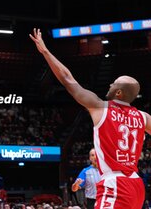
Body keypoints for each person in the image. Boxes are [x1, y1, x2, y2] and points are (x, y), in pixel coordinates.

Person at [30, 28, 151, 208]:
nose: (110, 84)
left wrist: (46, 52)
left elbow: (68, 80)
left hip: (116, 183)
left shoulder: (101, 107)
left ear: (118, 92)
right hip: (136, 184)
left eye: (114, 83)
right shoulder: (144, 117)